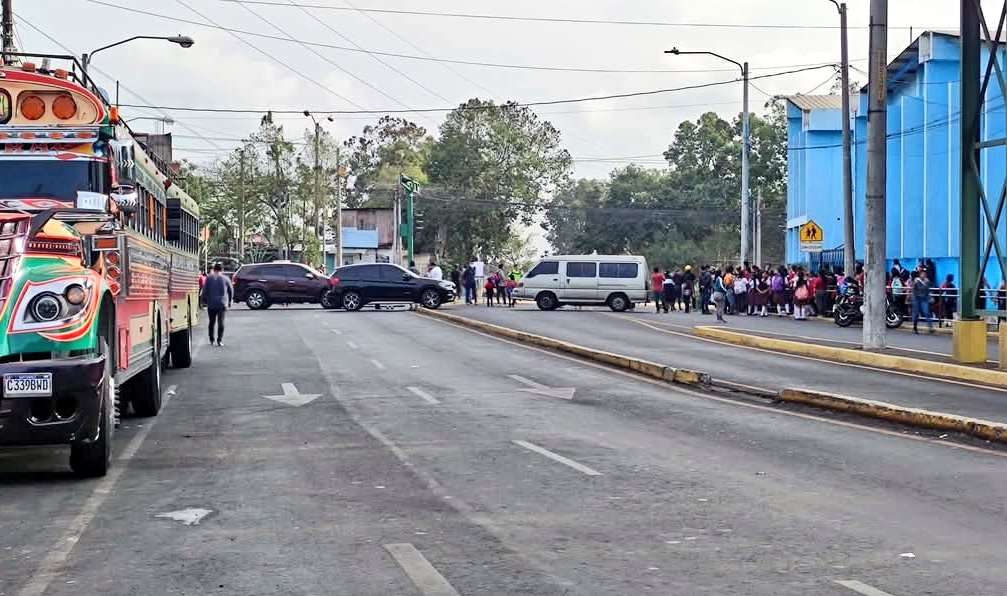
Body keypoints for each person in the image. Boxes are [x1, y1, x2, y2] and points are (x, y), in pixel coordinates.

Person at [201, 262, 233, 347]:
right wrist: (229, 301)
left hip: (211, 304)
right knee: (221, 322)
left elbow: (204, 291)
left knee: (211, 322)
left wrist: (203, 301)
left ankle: (211, 339)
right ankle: (219, 340)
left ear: (214, 269)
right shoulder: (225, 278)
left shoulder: (209, 278)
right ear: (222, 269)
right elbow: (230, 290)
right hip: (222, 304)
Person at [912, 269, 935, 334]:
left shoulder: (927, 281)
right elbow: (913, 290)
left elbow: (928, 290)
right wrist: (915, 298)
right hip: (917, 299)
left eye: (925, 274)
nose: (924, 275)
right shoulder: (916, 281)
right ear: (920, 274)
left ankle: (930, 328)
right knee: (916, 313)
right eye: (922, 274)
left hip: (924, 299)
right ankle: (915, 327)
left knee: (927, 312)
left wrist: (930, 297)